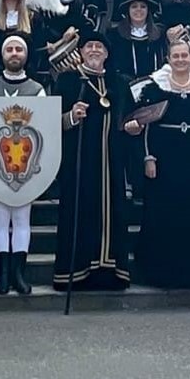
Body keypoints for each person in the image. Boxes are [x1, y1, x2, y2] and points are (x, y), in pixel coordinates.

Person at [125, 38, 190, 289]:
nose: (181, 60)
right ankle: (163, 273)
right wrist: (148, 157)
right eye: (176, 56)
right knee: (165, 212)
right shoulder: (154, 86)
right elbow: (144, 124)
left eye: (185, 56)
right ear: (168, 59)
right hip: (166, 156)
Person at [53, 31, 130, 292]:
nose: (95, 50)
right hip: (79, 158)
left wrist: (132, 126)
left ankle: (109, 271)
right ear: (81, 52)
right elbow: (52, 120)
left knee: (112, 211)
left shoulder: (118, 82)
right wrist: (71, 116)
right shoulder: (68, 80)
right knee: (79, 209)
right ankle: (76, 272)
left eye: (100, 47)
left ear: (107, 53)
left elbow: (128, 118)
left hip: (111, 159)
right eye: (90, 46)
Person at [0, 35, 46, 296]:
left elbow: (42, 128)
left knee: (22, 217)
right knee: (0, 218)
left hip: (25, 163)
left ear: (25, 55)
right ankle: (3, 271)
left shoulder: (37, 89)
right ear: (2, 55)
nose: (14, 53)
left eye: (18, 49)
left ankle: (19, 272)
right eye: (9, 49)